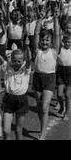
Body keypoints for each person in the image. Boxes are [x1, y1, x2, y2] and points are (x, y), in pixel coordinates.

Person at [31, 8, 60, 140]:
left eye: (47, 40)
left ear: (51, 41)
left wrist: (55, 18)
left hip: (50, 79)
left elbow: (58, 35)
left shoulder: (54, 51)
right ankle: (42, 125)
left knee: (44, 107)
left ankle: (43, 132)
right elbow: (36, 33)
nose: (44, 42)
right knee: (39, 107)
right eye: (43, 40)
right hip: (37, 78)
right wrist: (40, 19)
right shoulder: (36, 51)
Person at [0, 47, 32, 140]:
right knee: (6, 130)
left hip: (21, 100)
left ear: (23, 61)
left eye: (19, 61)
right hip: (8, 99)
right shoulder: (7, 67)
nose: (16, 63)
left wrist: (27, 46)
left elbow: (29, 59)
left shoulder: (26, 69)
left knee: (18, 131)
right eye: (14, 61)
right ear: (11, 60)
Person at [56, 32, 71, 120]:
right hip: (60, 71)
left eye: (69, 42)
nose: (67, 43)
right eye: (66, 42)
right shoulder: (59, 49)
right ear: (62, 41)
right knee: (59, 94)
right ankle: (62, 107)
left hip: (70, 72)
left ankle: (67, 112)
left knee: (67, 94)